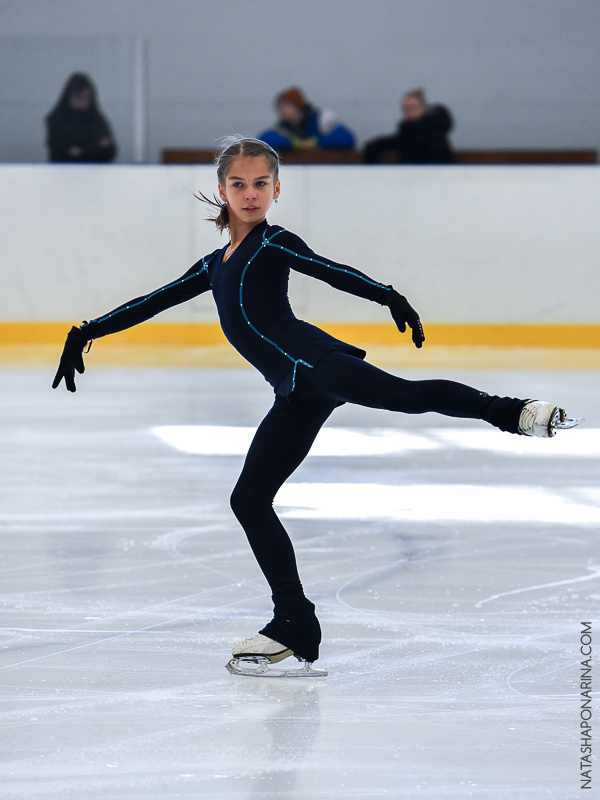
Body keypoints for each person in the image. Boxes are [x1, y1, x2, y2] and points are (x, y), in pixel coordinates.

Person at [52, 136, 582, 676]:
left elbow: (327, 269)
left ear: (277, 189)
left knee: (405, 396)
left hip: (317, 363)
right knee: (249, 499)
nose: (250, 194)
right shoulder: (214, 265)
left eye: (261, 184)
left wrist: (386, 295)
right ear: (222, 190)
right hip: (294, 390)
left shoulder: (273, 242)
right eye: (239, 184)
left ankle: (516, 413)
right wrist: (86, 332)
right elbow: (153, 301)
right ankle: (295, 623)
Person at [364, 88, 453, 164]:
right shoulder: (406, 133)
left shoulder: (435, 135)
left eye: (413, 107)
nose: (409, 111)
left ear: (423, 108)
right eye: (406, 108)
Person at [45, 72, 117, 163]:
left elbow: (109, 152)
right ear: (69, 96)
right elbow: (59, 152)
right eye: (79, 97)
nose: (84, 101)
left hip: (96, 172)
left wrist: (81, 152)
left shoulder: (96, 119)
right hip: (64, 172)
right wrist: (94, 149)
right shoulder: (57, 120)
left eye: (87, 97)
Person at [258, 87, 355, 152]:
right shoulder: (282, 128)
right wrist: (295, 144)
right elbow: (262, 142)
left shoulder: (321, 120)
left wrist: (316, 143)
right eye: (279, 106)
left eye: (285, 105)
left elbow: (347, 138)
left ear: (297, 106)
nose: (281, 110)